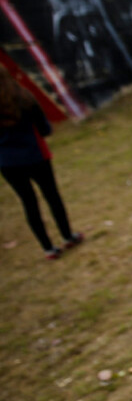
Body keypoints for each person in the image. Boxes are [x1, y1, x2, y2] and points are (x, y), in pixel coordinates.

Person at [0, 66, 83, 260]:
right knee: (52, 195)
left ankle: (48, 248)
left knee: (29, 203)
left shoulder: (23, 97)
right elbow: (44, 129)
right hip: (35, 156)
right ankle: (67, 235)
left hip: (8, 163)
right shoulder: (24, 97)